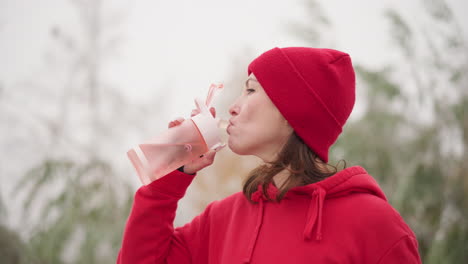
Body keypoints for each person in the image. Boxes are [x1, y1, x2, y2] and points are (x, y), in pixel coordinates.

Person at [116, 47, 422, 263]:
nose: (233, 106)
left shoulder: (374, 226)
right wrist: (172, 177)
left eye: (250, 90)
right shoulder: (224, 219)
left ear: (293, 112)